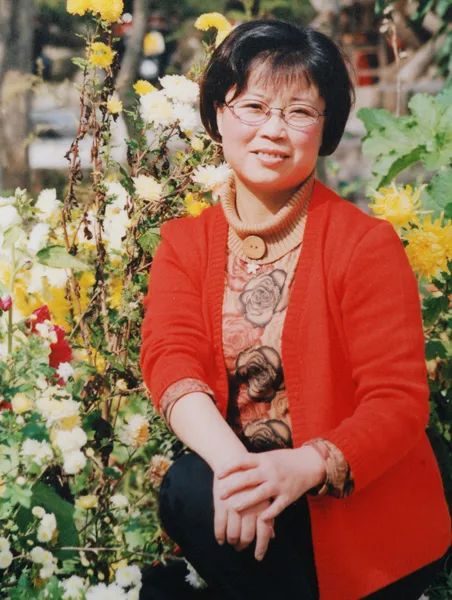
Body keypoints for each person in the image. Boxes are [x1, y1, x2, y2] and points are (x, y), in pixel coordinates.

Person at [140, 19, 450, 600]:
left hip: (354, 511)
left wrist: (304, 466)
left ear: (325, 127)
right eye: (254, 106)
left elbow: (397, 400)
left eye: (300, 112)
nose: (274, 131)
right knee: (187, 487)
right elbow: (171, 360)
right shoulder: (186, 243)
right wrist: (237, 473)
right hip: (248, 495)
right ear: (218, 114)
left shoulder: (364, 243)